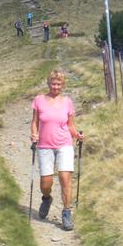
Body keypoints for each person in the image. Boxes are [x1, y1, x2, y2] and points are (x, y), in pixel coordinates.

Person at [30, 69, 83, 230]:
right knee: (46, 182)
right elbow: (34, 122)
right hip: (44, 145)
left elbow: (70, 125)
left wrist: (77, 135)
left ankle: (66, 213)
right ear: (49, 83)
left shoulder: (67, 102)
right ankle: (46, 198)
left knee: (65, 178)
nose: (56, 87)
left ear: (63, 85)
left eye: (59, 84)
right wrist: (34, 134)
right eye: (53, 83)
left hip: (64, 144)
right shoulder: (39, 100)